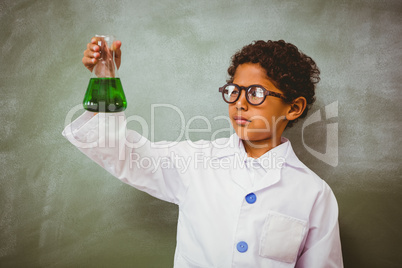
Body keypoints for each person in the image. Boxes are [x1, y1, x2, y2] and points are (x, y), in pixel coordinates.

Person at [63, 38, 343, 267]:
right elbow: (122, 152)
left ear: (293, 107)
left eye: (256, 94)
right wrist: (104, 80)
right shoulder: (195, 163)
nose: (239, 104)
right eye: (234, 91)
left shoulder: (314, 195)